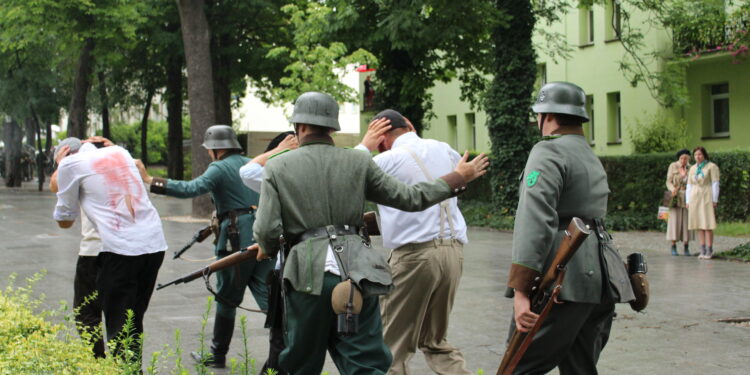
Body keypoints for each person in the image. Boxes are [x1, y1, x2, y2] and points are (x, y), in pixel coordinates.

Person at [252, 91, 488, 375]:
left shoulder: (277, 166)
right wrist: (455, 178)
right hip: (357, 273)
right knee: (366, 363)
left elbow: (266, 229)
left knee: (301, 362)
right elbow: (411, 199)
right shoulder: (358, 162)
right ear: (332, 128)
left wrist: (266, 246)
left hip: (306, 274)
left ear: (299, 127)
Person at [504, 82, 635, 375]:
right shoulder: (589, 155)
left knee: (517, 366)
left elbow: (534, 219)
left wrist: (521, 290)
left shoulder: (547, 151)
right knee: (580, 368)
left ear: (546, 116)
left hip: (564, 278)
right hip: (601, 279)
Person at [136, 125, 279, 369]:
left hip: (236, 239)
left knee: (226, 297)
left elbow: (191, 189)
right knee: (269, 297)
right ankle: (286, 347)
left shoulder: (219, 167)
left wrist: (151, 181)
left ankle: (217, 353)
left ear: (215, 149)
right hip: (262, 236)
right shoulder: (251, 162)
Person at [355, 109, 471, 375]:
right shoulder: (445, 149)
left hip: (415, 256)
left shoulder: (386, 159)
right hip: (454, 252)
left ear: (381, 138)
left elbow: (344, 175)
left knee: (391, 347)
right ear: (409, 125)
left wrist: (365, 146)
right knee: (435, 341)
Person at [53, 139, 167, 364]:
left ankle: (112, 369)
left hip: (121, 251)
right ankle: (133, 369)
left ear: (65, 154)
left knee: (118, 323)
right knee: (133, 318)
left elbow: (65, 221)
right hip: (154, 246)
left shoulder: (69, 164)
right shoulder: (120, 152)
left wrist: (62, 166)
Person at [238, 130, 298, 375]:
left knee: (280, 340)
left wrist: (277, 150)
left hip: (291, 268)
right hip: (331, 264)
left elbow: (247, 171)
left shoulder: (281, 172)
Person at [49, 137, 107, 358]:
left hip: (95, 250)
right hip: (132, 248)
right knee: (122, 313)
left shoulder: (76, 165)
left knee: (86, 312)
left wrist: (62, 164)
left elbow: (55, 186)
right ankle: (128, 368)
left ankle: (97, 364)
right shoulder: (112, 160)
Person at [686, 146, 720, 260]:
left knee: (707, 224)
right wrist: (687, 200)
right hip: (695, 196)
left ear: (704, 155)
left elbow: (715, 183)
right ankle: (702, 249)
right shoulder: (692, 168)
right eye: (695, 155)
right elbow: (689, 185)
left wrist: (714, 199)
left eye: (699, 154)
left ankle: (709, 250)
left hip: (706, 195)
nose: (697, 157)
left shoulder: (711, 167)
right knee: (699, 224)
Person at [665, 149, 694, 256]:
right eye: (682, 158)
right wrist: (672, 189)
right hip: (675, 196)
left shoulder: (691, 168)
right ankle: (673, 246)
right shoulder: (673, 166)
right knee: (674, 221)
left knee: (687, 222)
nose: (683, 160)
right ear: (679, 158)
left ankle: (686, 246)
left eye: (686, 158)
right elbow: (668, 181)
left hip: (687, 196)